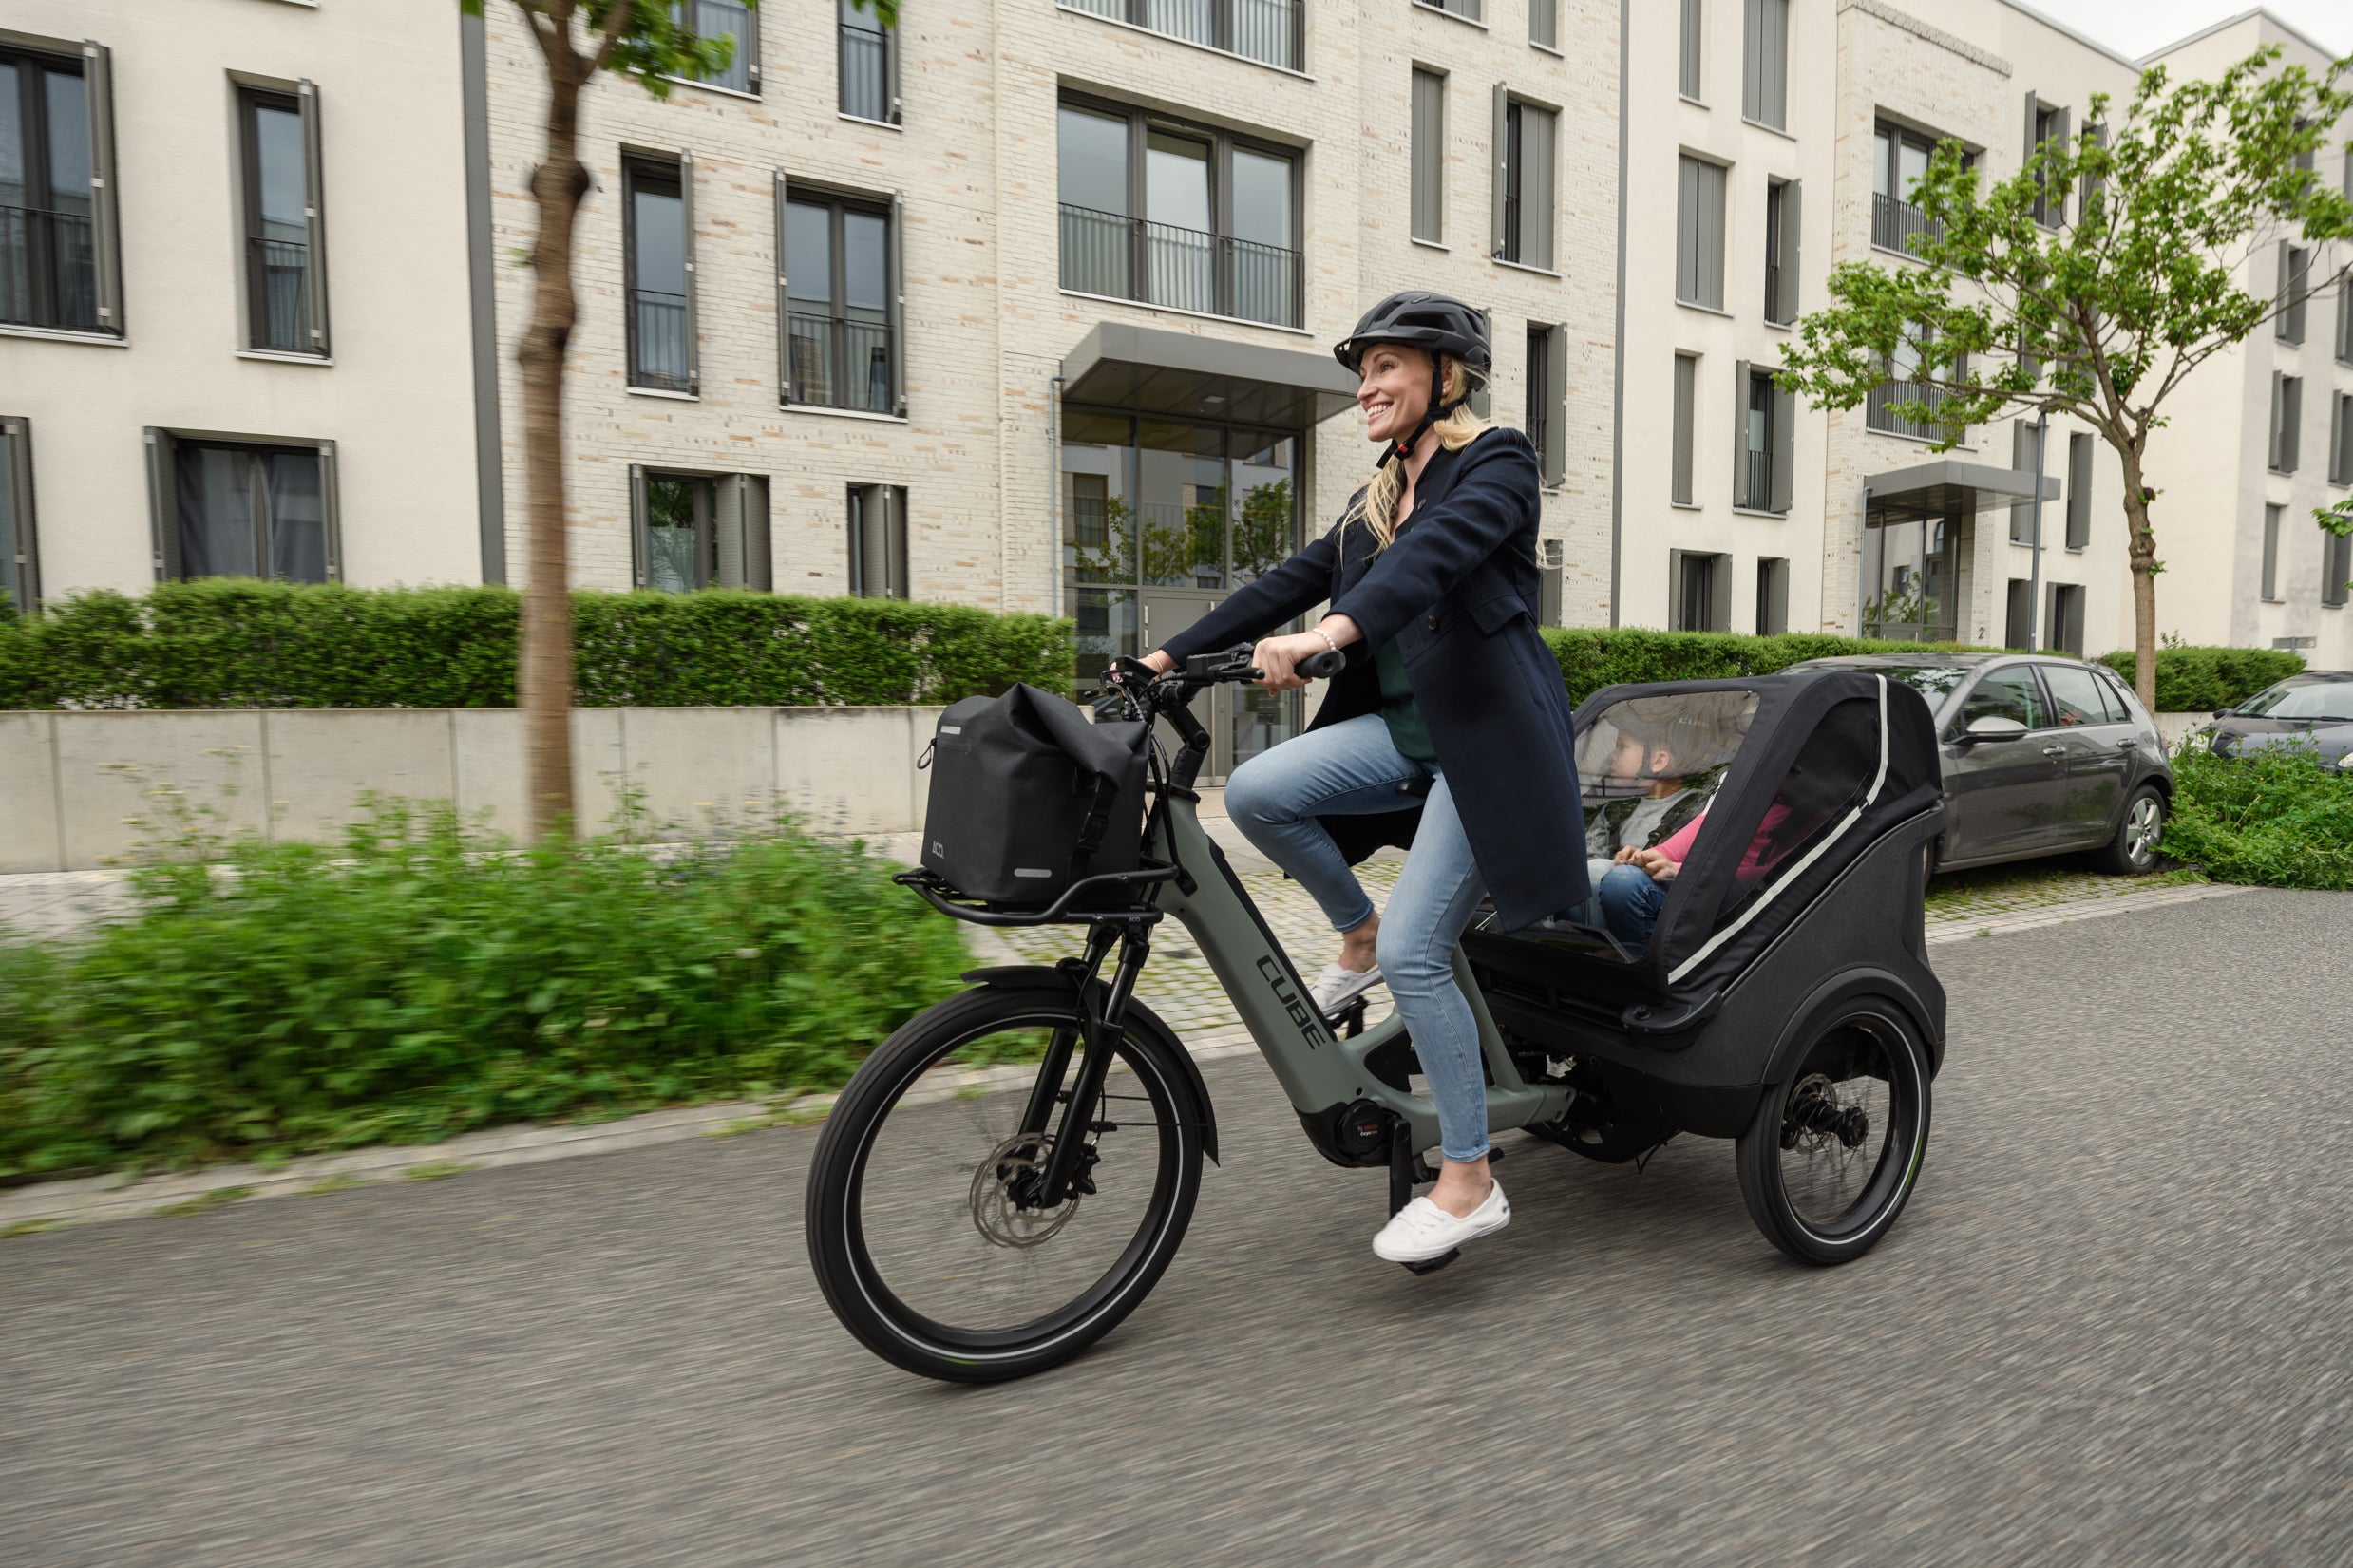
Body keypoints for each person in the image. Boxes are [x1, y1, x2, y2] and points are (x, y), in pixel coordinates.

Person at [1134, 292, 1586, 1267]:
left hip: (1487, 752)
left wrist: (1331, 635)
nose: (1366, 386)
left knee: (1424, 953)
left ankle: (1467, 1178)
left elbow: (1427, 564)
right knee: (1257, 793)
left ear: (1443, 376)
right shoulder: (1376, 493)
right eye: (1361, 370)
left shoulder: (1494, 463)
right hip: (1404, 738)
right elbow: (1288, 579)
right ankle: (1356, 928)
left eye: (1386, 367)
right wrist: (1162, 662)